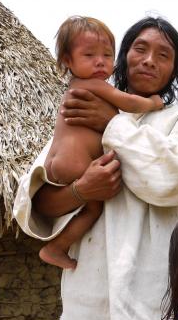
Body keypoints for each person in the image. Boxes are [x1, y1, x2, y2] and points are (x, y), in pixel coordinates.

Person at [13, 16, 178, 320]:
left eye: (163, 55)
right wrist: (82, 190)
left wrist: (113, 124)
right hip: (87, 298)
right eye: (140, 49)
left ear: (175, 69)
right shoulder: (80, 112)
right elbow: (36, 202)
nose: (149, 60)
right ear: (123, 57)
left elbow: (170, 181)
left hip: (154, 292)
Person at [39, 16, 164, 269]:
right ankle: (55, 247)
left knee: (88, 208)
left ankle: (56, 247)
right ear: (67, 61)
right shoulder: (93, 85)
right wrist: (153, 103)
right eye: (89, 55)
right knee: (92, 210)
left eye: (107, 55)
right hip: (76, 164)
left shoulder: (77, 88)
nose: (100, 61)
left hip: (60, 161)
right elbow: (128, 102)